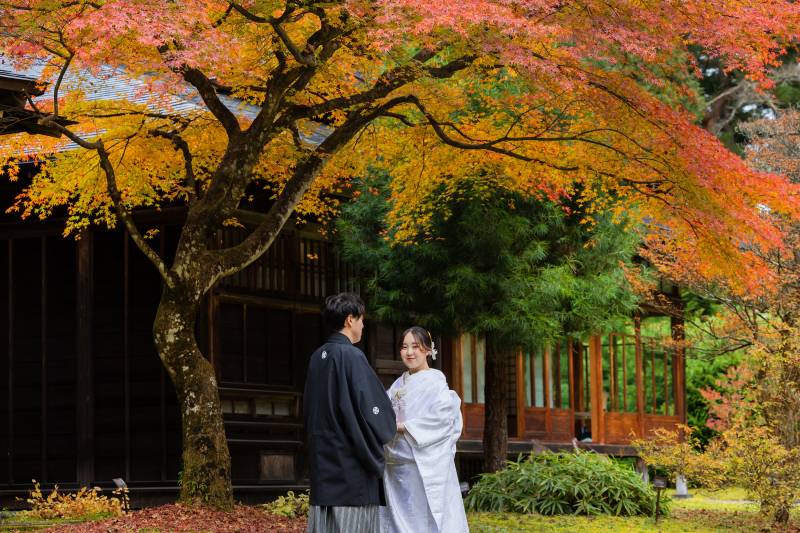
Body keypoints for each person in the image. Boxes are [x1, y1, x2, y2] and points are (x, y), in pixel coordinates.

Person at [304, 292, 397, 533]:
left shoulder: (317, 356)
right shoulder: (351, 355)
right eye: (362, 319)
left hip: (323, 460)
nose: (363, 325)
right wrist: (389, 423)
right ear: (350, 320)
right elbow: (373, 408)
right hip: (349, 464)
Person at [381, 326, 469, 533]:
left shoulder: (436, 383)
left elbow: (445, 419)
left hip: (422, 463)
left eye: (416, 347)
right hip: (395, 463)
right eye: (404, 347)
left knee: (424, 516)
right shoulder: (397, 384)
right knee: (397, 516)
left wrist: (405, 426)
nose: (409, 352)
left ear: (428, 350)